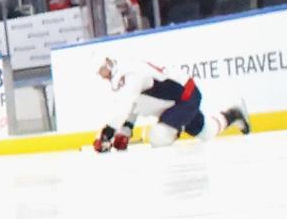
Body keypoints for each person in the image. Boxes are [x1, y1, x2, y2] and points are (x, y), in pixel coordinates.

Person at [82, 49, 252, 149]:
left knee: (158, 137)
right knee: (206, 132)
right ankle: (233, 114)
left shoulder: (130, 74)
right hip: (173, 103)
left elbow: (125, 106)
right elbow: (134, 104)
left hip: (185, 97)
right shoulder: (123, 74)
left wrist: (106, 134)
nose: (101, 75)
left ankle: (173, 130)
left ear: (106, 64)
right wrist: (125, 131)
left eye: (100, 70)